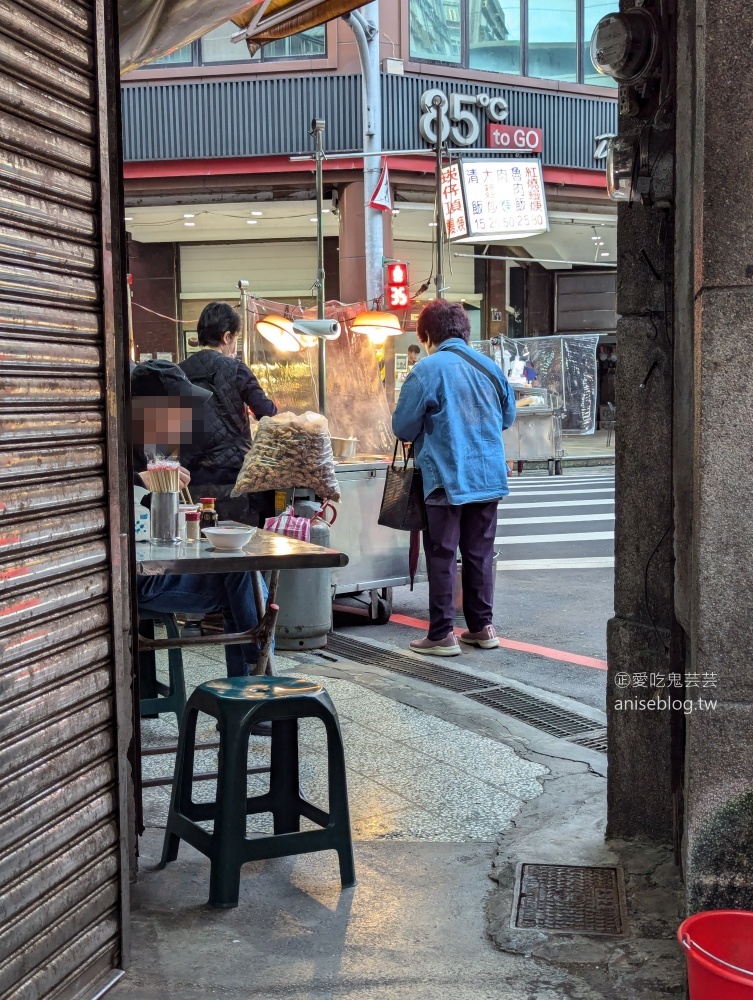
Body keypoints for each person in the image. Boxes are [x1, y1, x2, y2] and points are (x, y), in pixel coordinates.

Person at [392, 300, 516, 657]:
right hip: (488, 476)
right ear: (465, 332)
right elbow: (506, 418)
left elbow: (402, 426)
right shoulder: (491, 368)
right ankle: (481, 628)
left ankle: (442, 634)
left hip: (446, 478)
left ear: (428, 335)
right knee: (479, 553)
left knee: (442, 554)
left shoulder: (427, 370)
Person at [131, 359, 268, 678]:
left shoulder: (156, 444)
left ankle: (250, 683)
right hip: (139, 579)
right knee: (246, 584)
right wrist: (139, 482)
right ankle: (256, 682)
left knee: (243, 575)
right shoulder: (118, 448)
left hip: (157, 565)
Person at [179, 301, 277, 525]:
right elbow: (267, 413)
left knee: (197, 546)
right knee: (237, 548)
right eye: (235, 339)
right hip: (232, 483)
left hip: (188, 485)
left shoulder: (178, 371)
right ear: (226, 337)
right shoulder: (236, 369)